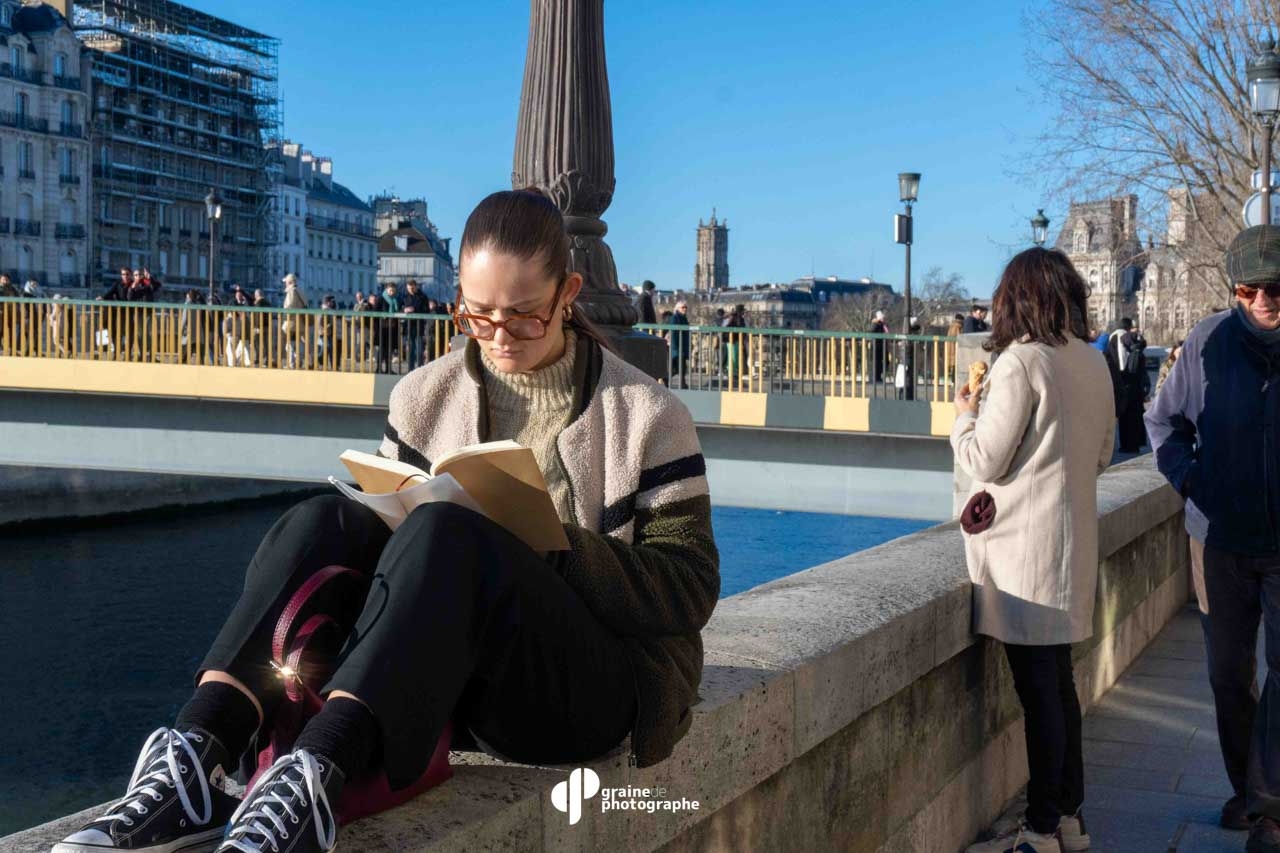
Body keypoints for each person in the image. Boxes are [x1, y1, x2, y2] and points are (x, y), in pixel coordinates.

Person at [54, 188, 720, 853]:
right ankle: (198, 759)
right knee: (325, 522)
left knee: (452, 533)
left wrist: (554, 550)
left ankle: (317, 775)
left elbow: (689, 587)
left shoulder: (647, 415)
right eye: (476, 315)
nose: (498, 337)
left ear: (567, 292)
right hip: (457, 688)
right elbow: (395, 559)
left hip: (592, 690)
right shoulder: (422, 397)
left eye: (524, 317)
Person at [953, 248, 1114, 853]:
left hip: (1025, 556)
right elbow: (1101, 457)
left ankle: (1042, 826)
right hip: (1071, 554)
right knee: (1060, 689)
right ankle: (1069, 818)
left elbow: (985, 459)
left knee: (1038, 694)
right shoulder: (1092, 364)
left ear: (1015, 298)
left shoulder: (1020, 363)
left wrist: (964, 417)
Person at [1145, 225, 1280, 850]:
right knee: (1229, 674)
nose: (1264, 300)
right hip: (1219, 537)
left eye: (1275, 289)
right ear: (1234, 291)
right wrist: (1190, 480)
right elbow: (1163, 422)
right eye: (1250, 290)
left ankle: (1268, 805)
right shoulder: (1205, 344)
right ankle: (1246, 791)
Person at [1109, 318, 1149, 453]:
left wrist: (1119, 378)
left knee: (1126, 415)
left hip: (1125, 381)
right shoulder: (1136, 345)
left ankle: (1128, 444)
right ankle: (1135, 443)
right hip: (1135, 385)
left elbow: (1120, 361)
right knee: (1135, 414)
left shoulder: (1118, 336)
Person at [282, 273, 308, 369]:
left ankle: (291, 363)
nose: (285, 284)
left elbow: (289, 306)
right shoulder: (300, 291)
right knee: (297, 342)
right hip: (300, 321)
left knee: (290, 344)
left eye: (286, 282)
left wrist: (284, 314)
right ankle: (298, 361)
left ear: (289, 282)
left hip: (292, 322)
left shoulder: (291, 292)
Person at [401, 279, 428, 371]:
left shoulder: (423, 297)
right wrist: (404, 310)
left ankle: (420, 368)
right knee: (410, 349)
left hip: (419, 326)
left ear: (416, 286)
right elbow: (399, 308)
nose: (411, 289)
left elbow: (426, 310)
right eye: (409, 288)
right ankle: (410, 369)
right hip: (408, 326)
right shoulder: (404, 297)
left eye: (412, 287)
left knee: (419, 349)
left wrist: (415, 310)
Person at [669, 300, 691, 389]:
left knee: (681, 367)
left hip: (682, 345)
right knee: (678, 367)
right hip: (678, 346)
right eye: (683, 307)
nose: (685, 309)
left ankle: (682, 383)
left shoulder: (683, 317)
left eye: (686, 307)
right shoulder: (675, 317)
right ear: (678, 308)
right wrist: (675, 347)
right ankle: (667, 379)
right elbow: (673, 333)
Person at [869, 309, 888, 382]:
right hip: (877, 346)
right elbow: (872, 332)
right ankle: (876, 377)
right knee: (877, 362)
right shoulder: (876, 324)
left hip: (881, 346)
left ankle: (878, 376)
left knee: (880, 361)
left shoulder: (882, 325)